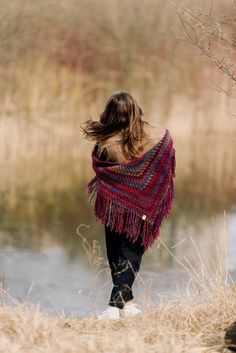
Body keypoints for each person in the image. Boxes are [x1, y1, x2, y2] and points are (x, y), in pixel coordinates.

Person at [81, 90, 176, 320]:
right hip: (143, 208)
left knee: (118, 254)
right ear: (136, 109)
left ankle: (114, 306)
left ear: (110, 113)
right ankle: (129, 304)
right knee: (127, 255)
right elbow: (166, 166)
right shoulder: (160, 135)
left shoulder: (105, 143)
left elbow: (104, 172)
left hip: (116, 206)